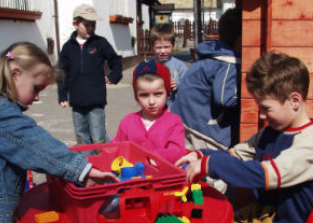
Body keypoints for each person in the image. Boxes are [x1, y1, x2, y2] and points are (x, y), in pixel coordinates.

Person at [0, 42, 119, 223]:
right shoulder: (0, 112)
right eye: (36, 88)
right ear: (15, 74)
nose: (36, 97)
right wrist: (83, 170)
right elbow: (37, 146)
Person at [175, 52, 313, 223]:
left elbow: (265, 175)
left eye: (266, 108)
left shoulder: (309, 143)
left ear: (294, 101)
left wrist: (211, 164)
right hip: (262, 212)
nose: (261, 115)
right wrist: (201, 155)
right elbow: (234, 154)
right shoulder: (268, 133)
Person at [171, 7, 242, 193]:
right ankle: (213, 206)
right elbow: (225, 98)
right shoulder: (228, 61)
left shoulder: (211, 53)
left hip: (186, 120)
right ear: (240, 39)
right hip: (205, 129)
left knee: (189, 166)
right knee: (211, 174)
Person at [57, 4, 122, 145]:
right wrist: (62, 94)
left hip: (96, 100)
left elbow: (116, 60)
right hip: (77, 100)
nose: (91, 28)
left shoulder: (100, 43)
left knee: (98, 135)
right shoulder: (68, 47)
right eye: (87, 25)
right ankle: (87, 163)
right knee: (81, 135)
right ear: (75, 24)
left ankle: (103, 158)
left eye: (93, 24)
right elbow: (62, 71)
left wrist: (113, 76)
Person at [111, 59, 186, 164]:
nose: (151, 101)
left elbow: (177, 151)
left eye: (158, 94)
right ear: (136, 96)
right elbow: (117, 146)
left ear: (167, 93)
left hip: (163, 178)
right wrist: (108, 150)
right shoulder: (127, 122)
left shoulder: (174, 122)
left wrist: (152, 157)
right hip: (133, 177)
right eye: (144, 95)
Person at [150, 23, 188, 109]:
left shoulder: (179, 66)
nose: (163, 51)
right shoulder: (149, 65)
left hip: (174, 107)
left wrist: (177, 85)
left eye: (166, 47)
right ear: (152, 47)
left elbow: (188, 85)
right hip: (154, 108)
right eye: (159, 47)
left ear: (173, 46)